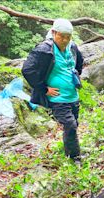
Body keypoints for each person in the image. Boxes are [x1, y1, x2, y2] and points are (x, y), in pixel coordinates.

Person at [22, 18, 84, 163]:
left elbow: (79, 63)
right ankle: (75, 158)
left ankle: (69, 151)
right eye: (61, 36)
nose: (64, 40)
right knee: (70, 124)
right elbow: (27, 69)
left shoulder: (72, 47)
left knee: (73, 125)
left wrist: (73, 77)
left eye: (67, 37)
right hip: (57, 99)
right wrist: (44, 89)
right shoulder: (44, 49)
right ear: (54, 32)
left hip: (72, 96)